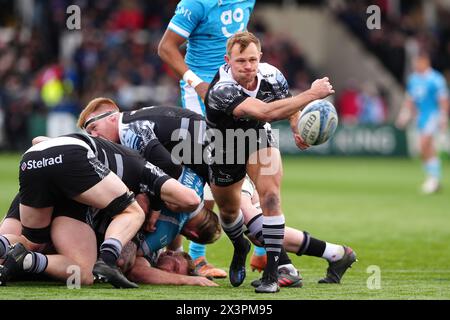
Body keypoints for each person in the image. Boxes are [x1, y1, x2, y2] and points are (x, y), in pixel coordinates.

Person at [204, 31, 335, 293]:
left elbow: (286, 106)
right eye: (241, 61)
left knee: (271, 197)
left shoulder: (272, 75)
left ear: (260, 57)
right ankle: (241, 246)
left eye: (253, 59)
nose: (248, 66)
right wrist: (312, 93)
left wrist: (297, 126)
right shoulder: (221, 89)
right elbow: (265, 111)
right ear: (227, 59)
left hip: (257, 137)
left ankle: (272, 275)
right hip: (225, 147)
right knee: (229, 214)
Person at [0, 133, 200, 288]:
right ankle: (107, 260)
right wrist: (164, 201)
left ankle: (23, 258)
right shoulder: (143, 167)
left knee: (32, 242)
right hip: (70, 168)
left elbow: (39, 142)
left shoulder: (109, 152)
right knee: (133, 212)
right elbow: (189, 198)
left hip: (33, 159)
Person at [158, 0, 265, 276]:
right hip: (200, 94)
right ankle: (192, 256)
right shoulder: (196, 3)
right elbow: (166, 48)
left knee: (259, 163)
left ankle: (264, 253)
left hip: (235, 88)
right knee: (201, 170)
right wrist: (197, 83)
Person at [396, 51, 449, 194]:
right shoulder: (414, 79)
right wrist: (404, 115)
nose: (416, 65)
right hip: (421, 117)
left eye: (419, 62)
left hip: (433, 115)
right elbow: (410, 99)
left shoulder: (436, 79)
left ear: (426, 62)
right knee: (423, 149)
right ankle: (433, 178)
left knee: (425, 143)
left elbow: (443, 100)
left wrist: (443, 117)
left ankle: (434, 179)